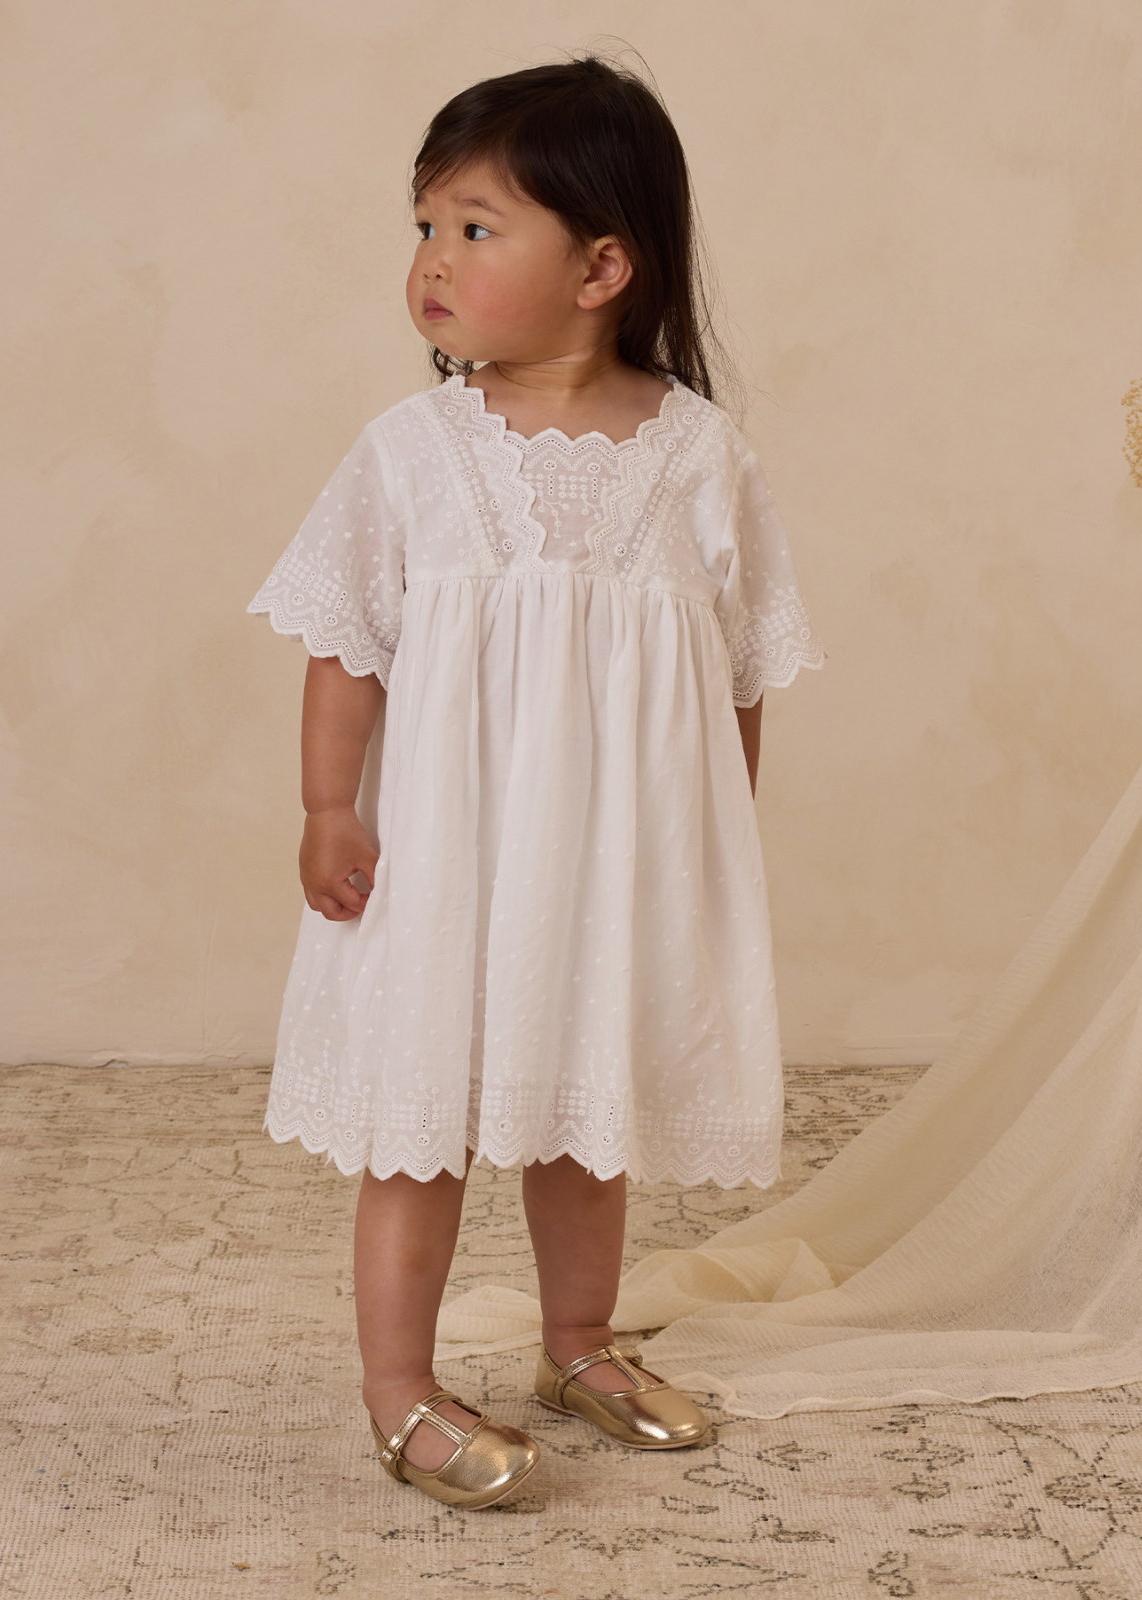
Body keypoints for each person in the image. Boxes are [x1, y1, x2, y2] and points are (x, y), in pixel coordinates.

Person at [249, 56, 823, 1509]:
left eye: (475, 228)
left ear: (603, 265)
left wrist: (710, 845)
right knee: (420, 1126)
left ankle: (579, 1340)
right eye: (423, 228)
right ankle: (400, 1390)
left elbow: (736, 670)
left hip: (609, 871)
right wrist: (331, 808)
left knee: (586, 1111)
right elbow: (347, 642)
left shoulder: (700, 457)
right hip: (445, 863)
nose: (432, 262)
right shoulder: (415, 454)